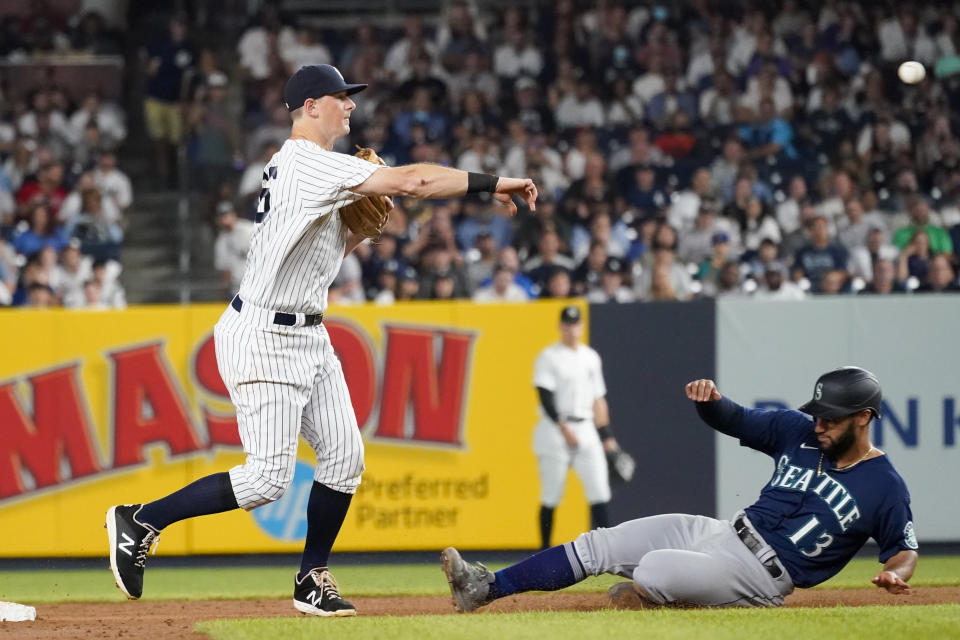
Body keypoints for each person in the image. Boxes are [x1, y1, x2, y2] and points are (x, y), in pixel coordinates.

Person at [106, 64, 537, 616]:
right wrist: (492, 182)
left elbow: (325, 255)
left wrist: (358, 229)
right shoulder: (306, 163)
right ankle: (140, 520)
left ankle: (311, 579)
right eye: (340, 97)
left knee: (343, 457)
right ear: (310, 106)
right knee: (266, 478)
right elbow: (415, 181)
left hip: (308, 330)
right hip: (264, 331)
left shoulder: (320, 173)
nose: (350, 106)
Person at [442, 367, 917, 611]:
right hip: (723, 532)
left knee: (653, 569)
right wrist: (710, 402)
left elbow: (903, 550)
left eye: (831, 417)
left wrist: (898, 573)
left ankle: (652, 595)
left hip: (762, 575)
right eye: (817, 413)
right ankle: (484, 589)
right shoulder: (797, 430)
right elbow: (735, 418)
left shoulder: (884, 485)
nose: (819, 424)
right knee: (600, 543)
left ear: (864, 418)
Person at [531, 305, 620, 550]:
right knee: (551, 494)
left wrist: (607, 436)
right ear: (561, 326)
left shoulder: (591, 357)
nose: (572, 329)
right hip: (555, 430)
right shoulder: (549, 356)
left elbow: (598, 400)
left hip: (586, 427)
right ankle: (544, 550)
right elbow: (544, 395)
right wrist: (563, 427)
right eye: (567, 324)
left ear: (581, 326)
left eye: (576, 324)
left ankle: (607, 552)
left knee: (600, 492)